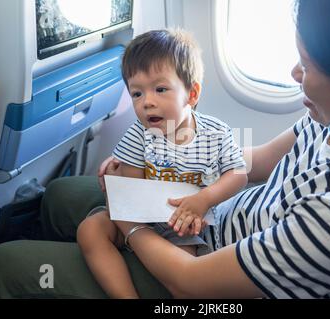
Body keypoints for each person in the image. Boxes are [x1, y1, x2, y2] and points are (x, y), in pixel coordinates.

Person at [0, 0, 330, 299]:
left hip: (203, 275)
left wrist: (131, 226)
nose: (294, 73)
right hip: (217, 215)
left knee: (3, 266)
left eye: (307, 65)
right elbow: (258, 162)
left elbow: (191, 284)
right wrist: (182, 167)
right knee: (61, 196)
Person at [76, 29, 248, 299]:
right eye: (137, 94)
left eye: (160, 89)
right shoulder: (138, 134)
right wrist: (117, 181)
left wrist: (204, 200)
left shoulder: (216, 134)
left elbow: (238, 176)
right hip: (145, 217)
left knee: (188, 279)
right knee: (90, 230)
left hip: (184, 226)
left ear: (191, 94)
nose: (147, 102)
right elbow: (133, 188)